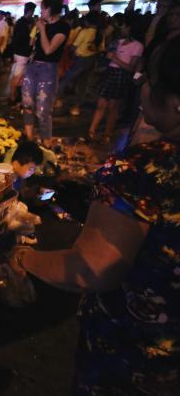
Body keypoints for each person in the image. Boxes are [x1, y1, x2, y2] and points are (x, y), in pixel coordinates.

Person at [10, 35, 180, 395]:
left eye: (148, 80)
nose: (143, 88)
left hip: (141, 355)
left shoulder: (144, 170)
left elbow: (91, 268)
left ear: (176, 102)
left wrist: (24, 258)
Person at [21, 0, 69, 146]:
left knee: (43, 109)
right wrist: (37, 29)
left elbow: (49, 50)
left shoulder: (63, 27)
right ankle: (29, 139)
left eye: (42, 9)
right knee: (27, 104)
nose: (40, 12)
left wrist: (42, 29)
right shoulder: (41, 24)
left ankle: (46, 143)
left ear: (49, 9)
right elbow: (31, 44)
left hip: (48, 69)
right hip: (32, 66)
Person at [87, 17, 144, 144]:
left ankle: (107, 133)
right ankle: (92, 130)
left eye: (124, 26)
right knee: (101, 104)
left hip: (121, 75)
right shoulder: (118, 41)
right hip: (110, 72)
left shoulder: (137, 46)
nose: (122, 28)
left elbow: (131, 67)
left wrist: (115, 59)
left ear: (130, 28)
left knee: (113, 107)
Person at [56, 11, 102, 116]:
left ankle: (58, 100)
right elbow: (100, 49)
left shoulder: (84, 32)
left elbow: (74, 47)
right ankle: (76, 107)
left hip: (80, 59)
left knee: (65, 80)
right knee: (83, 84)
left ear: (88, 21)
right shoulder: (99, 33)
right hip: (91, 60)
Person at [9, 3, 36, 106]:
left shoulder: (20, 22)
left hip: (17, 53)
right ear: (30, 11)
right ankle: (12, 96)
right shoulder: (24, 23)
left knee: (16, 75)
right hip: (22, 53)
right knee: (17, 75)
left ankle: (13, 95)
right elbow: (28, 41)